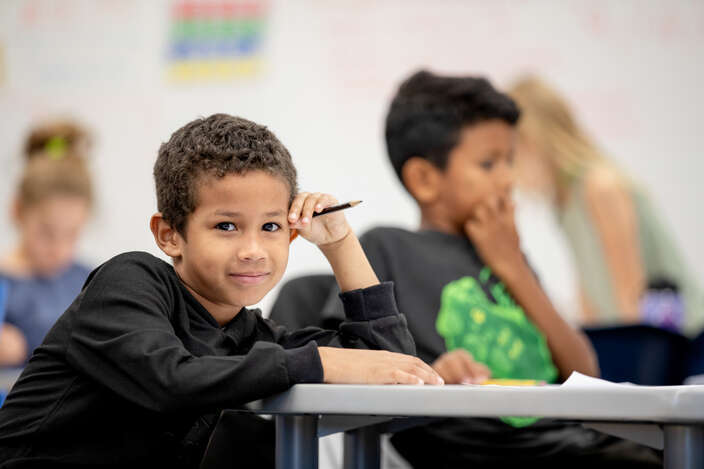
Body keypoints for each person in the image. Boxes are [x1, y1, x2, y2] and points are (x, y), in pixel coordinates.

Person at [0, 114, 442, 468]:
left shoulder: (250, 337)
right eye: (226, 226)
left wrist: (340, 244)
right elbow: (171, 379)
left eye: (271, 226)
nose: (253, 250)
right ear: (169, 234)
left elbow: (396, 374)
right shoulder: (127, 281)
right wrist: (322, 360)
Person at [322, 70, 661, 467]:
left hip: (562, 437)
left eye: (510, 161)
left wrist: (514, 266)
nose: (507, 179)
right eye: (489, 164)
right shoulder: (387, 246)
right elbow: (347, 358)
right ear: (425, 179)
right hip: (473, 445)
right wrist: (431, 376)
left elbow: (584, 373)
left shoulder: (506, 254)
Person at [509, 76, 704, 336]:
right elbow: (589, 291)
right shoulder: (562, 201)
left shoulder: (600, 187)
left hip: (680, 341)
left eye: (510, 154)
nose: (508, 170)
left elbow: (631, 292)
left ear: (533, 142)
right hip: (638, 342)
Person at [0, 120, 94, 366]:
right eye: (46, 233)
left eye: (72, 234)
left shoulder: (90, 282)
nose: (59, 249)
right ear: (18, 210)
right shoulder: (4, 281)